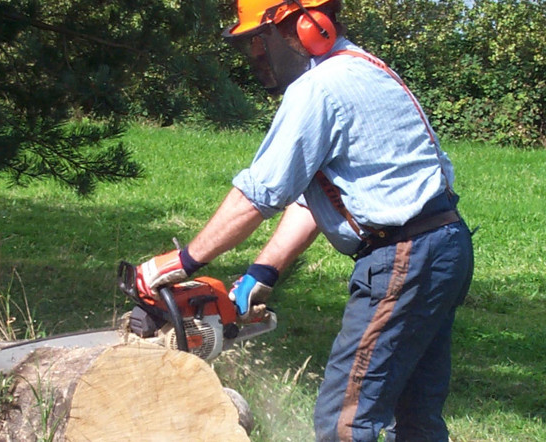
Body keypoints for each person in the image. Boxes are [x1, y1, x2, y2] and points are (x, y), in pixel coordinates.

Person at [135, 0, 474, 440]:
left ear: (309, 27)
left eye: (259, 41)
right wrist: (262, 272)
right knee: (414, 416)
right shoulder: (366, 68)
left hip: (404, 257)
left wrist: (181, 262)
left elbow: (258, 195)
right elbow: (322, 198)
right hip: (441, 244)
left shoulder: (319, 88)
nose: (254, 57)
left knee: (345, 422)